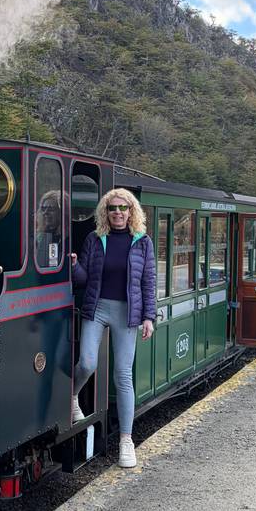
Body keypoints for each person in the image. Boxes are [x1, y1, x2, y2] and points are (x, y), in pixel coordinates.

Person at [70, 188, 156, 468]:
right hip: (97, 308)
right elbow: (83, 279)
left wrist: (148, 317)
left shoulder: (143, 243)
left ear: (132, 211)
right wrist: (73, 266)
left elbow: (148, 282)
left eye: (123, 207)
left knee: (122, 376)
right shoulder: (94, 240)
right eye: (112, 208)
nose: (117, 212)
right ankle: (72, 396)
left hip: (126, 314)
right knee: (87, 362)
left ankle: (126, 441)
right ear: (104, 212)